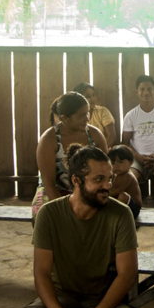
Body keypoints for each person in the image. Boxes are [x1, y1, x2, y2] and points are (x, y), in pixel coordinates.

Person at [9, 145, 142, 308]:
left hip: (102, 300)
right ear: (76, 181)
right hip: (64, 298)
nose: (107, 186)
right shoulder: (49, 214)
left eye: (109, 179)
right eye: (98, 179)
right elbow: (41, 272)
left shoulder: (121, 214)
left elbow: (127, 274)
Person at [31, 92, 108, 220]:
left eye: (88, 113)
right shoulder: (49, 140)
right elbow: (48, 183)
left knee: (105, 215)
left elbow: (105, 173)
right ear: (65, 118)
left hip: (89, 189)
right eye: (81, 115)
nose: (87, 118)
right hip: (55, 189)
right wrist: (64, 211)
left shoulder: (95, 135)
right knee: (42, 216)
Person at [122, 75, 154, 183]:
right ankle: (133, 200)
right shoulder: (131, 115)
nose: (146, 93)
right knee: (129, 179)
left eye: (149, 89)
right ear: (137, 92)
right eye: (142, 89)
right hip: (137, 159)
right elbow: (125, 143)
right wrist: (139, 157)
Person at [73, 82, 117, 148]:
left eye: (93, 95)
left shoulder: (102, 111)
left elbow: (111, 136)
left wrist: (98, 153)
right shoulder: (73, 116)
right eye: (88, 96)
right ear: (79, 99)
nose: (92, 99)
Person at [108, 145, 142, 218]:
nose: (116, 166)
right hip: (120, 206)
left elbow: (117, 191)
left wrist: (106, 194)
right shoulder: (114, 175)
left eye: (120, 162)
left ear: (130, 162)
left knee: (123, 196)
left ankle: (116, 216)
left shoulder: (128, 175)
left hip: (133, 208)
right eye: (113, 163)